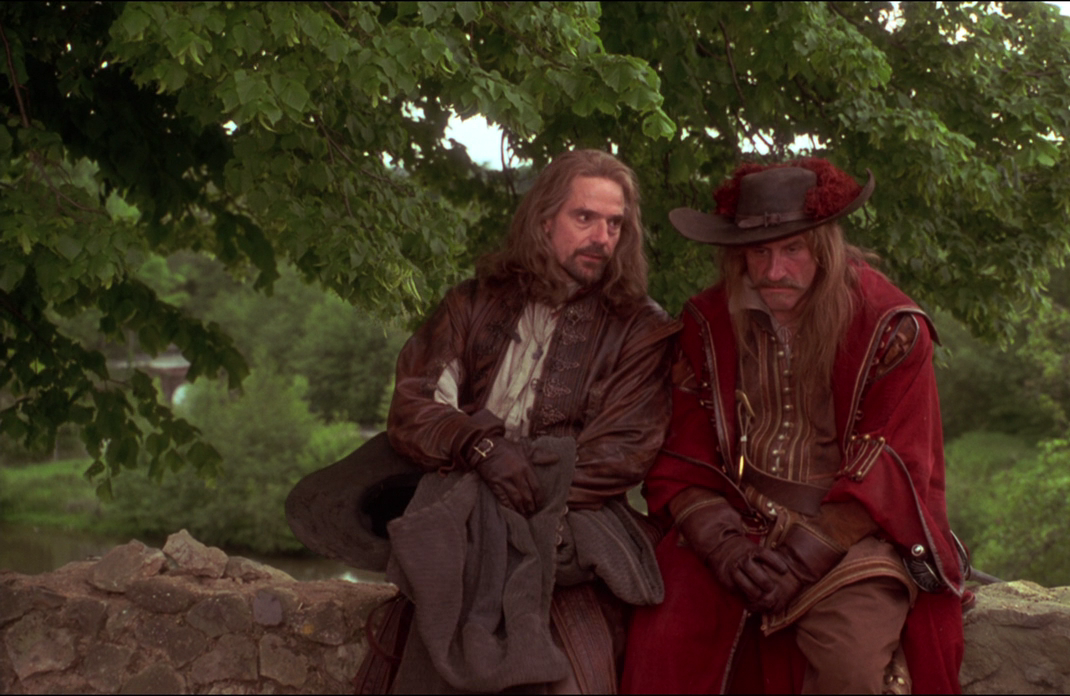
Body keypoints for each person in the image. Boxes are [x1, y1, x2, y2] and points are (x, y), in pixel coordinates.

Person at [288, 149, 677, 694]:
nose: (602, 238)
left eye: (615, 224)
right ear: (545, 220)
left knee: (575, 673)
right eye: (585, 217)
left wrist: (521, 492)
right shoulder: (472, 303)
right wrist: (481, 449)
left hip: (571, 519)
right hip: (459, 504)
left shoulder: (641, 329)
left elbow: (622, 451)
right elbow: (416, 406)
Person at [620, 158, 969, 694]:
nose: (774, 271)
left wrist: (799, 560)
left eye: (792, 249)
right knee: (660, 648)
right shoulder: (706, 323)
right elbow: (683, 454)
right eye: (759, 252)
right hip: (735, 522)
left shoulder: (889, 327)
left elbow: (893, 465)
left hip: (853, 535)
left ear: (823, 247)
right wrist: (723, 546)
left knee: (851, 669)